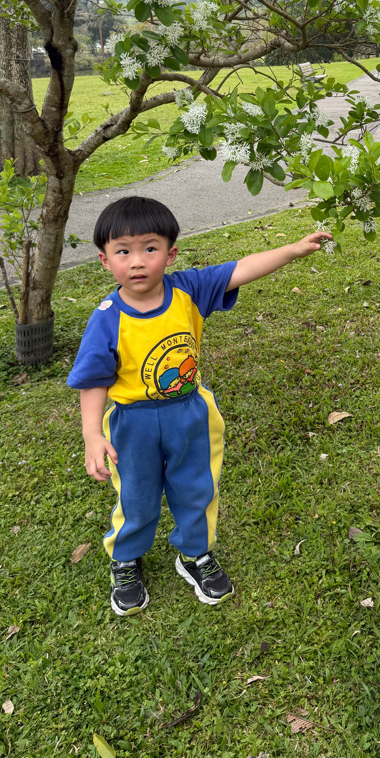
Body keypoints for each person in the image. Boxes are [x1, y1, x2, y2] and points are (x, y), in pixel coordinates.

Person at [67, 195, 331, 616]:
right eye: (123, 251)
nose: (138, 262)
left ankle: (195, 554)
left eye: (150, 248)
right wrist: (91, 434)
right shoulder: (106, 318)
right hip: (132, 424)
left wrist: (293, 250)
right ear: (105, 260)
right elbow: (93, 381)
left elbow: (241, 269)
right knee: (136, 495)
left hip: (190, 415)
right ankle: (126, 559)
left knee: (197, 488)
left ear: (170, 254)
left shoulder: (187, 290)